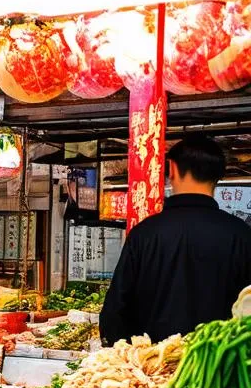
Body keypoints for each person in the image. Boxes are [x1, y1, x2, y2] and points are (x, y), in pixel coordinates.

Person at [101, 133, 251, 344]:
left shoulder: (145, 233)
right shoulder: (241, 235)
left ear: (171, 168)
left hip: (151, 368)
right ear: (219, 175)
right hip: (218, 370)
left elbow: (115, 312)